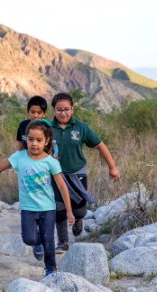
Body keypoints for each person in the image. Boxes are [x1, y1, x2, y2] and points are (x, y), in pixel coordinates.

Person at [0, 119, 75, 276]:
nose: (34, 144)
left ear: (47, 141)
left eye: (39, 140)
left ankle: (50, 269)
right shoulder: (19, 157)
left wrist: (69, 211)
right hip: (28, 208)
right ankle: (37, 243)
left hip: (47, 208)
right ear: (26, 139)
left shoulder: (51, 162)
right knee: (28, 239)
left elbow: (62, 187)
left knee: (49, 240)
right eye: (31, 139)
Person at [50, 92, 120, 253]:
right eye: (59, 110)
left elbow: (100, 145)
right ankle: (62, 242)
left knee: (80, 209)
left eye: (66, 109)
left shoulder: (81, 128)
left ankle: (78, 219)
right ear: (54, 110)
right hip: (56, 174)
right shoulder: (48, 128)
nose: (63, 113)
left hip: (77, 173)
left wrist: (112, 167)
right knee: (58, 209)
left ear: (72, 109)